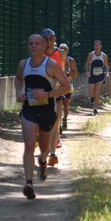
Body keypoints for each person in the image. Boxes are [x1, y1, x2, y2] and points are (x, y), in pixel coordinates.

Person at [15, 33, 70, 200]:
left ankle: (43, 162)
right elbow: (18, 79)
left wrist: (48, 94)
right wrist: (19, 92)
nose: (33, 46)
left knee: (44, 148)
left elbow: (66, 86)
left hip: (47, 111)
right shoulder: (23, 64)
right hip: (29, 110)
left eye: (37, 43)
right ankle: (29, 182)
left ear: (43, 46)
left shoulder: (51, 65)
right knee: (30, 145)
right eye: (30, 43)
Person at [41, 28, 66, 165]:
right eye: (46, 39)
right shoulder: (38, 53)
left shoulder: (60, 53)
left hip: (56, 92)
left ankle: (52, 154)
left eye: (51, 39)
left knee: (56, 122)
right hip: (41, 93)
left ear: (55, 39)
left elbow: (62, 72)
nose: (49, 42)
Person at [85, 40, 109, 115]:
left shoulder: (104, 56)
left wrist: (107, 73)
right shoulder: (91, 55)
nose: (97, 47)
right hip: (92, 75)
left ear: (101, 46)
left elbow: (106, 65)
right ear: (94, 46)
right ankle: (92, 98)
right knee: (91, 93)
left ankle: (95, 108)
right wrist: (87, 71)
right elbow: (87, 64)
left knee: (97, 92)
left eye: (98, 45)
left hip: (100, 76)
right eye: (95, 45)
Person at [58, 43, 78, 130]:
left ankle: (65, 119)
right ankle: (58, 124)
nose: (61, 52)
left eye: (64, 50)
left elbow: (75, 74)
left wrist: (67, 73)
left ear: (67, 51)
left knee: (66, 104)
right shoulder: (54, 60)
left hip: (68, 85)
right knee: (58, 104)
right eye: (60, 50)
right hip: (57, 85)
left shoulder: (71, 61)